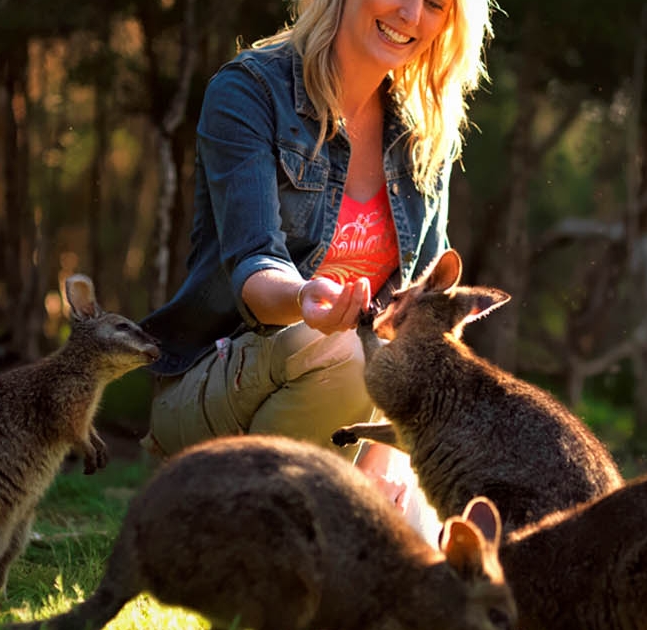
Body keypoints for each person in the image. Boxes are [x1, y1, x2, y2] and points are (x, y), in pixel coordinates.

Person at [138, 0, 492, 538]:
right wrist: (304, 299)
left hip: (360, 414)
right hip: (218, 389)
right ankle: (239, 534)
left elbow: (421, 320)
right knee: (338, 350)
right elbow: (254, 264)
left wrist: (384, 453)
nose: (410, 14)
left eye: (437, 4)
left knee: (438, 544)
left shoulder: (425, 126)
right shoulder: (250, 92)